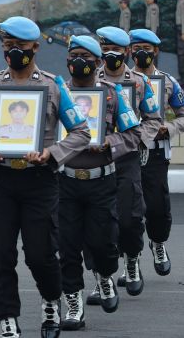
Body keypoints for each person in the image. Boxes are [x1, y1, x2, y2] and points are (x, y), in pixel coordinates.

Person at [0, 16, 90, 338]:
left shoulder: (53, 86)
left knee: (40, 253)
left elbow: (81, 132)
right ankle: (7, 319)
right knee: (1, 252)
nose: (13, 52)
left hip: (39, 181)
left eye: (20, 46)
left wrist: (51, 153)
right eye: (8, 46)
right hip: (0, 179)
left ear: (35, 47)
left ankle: (50, 300)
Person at [59, 35, 139, 330]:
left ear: (97, 61)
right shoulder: (56, 93)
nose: (78, 61)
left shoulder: (113, 94)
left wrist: (108, 143)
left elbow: (133, 134)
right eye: (73, 55)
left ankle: (105, 276)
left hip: (101, 182)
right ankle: (73, 303)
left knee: (103, 244)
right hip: (65, 182)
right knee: (66, 247)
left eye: (85, 56)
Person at [85, 26, 160, 305]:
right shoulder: (91, 80)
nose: (109, 55)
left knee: (129, 220)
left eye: (115, 50)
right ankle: (101, 279)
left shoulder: (140, 83)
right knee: (94, 225)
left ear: (127, 52)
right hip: (93, 159)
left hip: (126, 158)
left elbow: (153, 120)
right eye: (104, 50)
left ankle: (131, 259)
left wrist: (133, 140)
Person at [130, 28, 183, 278]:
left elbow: (183, 115)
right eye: (136, 48)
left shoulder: (168, 82)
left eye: (146, 49)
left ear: (156, 51)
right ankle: (132, 258)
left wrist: (169, 128)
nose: (140, 53)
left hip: (156, 152)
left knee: (157, 208)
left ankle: (158, 243)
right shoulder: (119, 81)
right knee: (128, 210)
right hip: (126, 152)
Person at [174, 0, 184, 81]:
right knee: (180, 53)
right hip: (179, 29)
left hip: (182, 29)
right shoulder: (180, 1)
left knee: (181, 54)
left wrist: (183, 32)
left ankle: (182, 77)